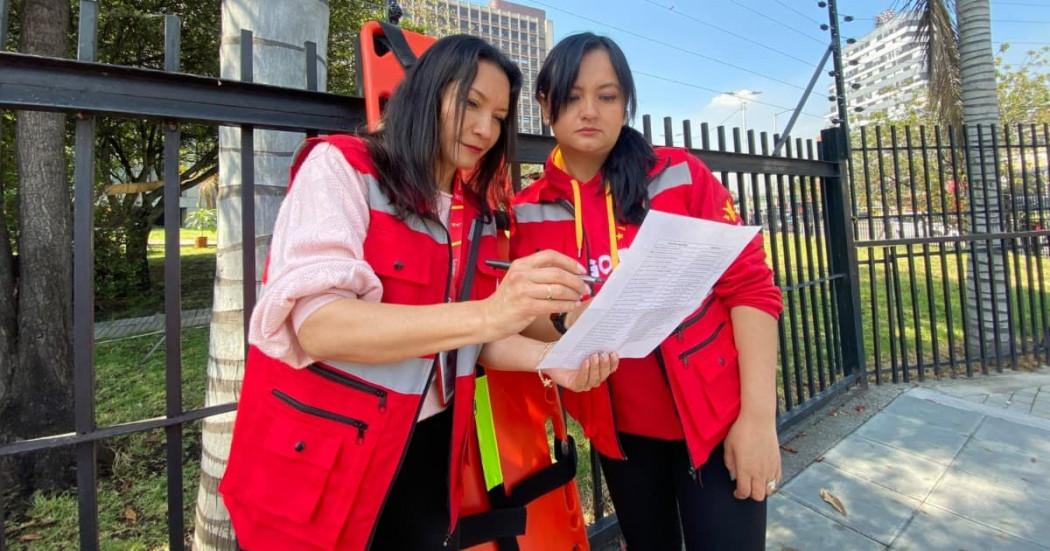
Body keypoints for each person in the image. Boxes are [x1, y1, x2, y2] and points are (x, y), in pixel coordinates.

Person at [218, 35, 617, 551]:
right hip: (325, 453)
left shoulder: (474, 213)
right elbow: (319, 325)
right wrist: (491, 311)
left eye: (498, 117)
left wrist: (550, 359)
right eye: (471, 103)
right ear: (427, 91)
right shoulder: (343, 168)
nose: (485, 129)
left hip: (429, 447)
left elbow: (471, 338)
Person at [511, 32, 783, 550]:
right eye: (572, 96)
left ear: (626, 103)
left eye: (607, 95)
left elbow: (751, 289)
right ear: (545, 104)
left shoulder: (679, 177)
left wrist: (757, 420)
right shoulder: (527, 212)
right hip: (621, 439)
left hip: (718, 423)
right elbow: (520, 319)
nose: (589, 111)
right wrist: (569, 319)